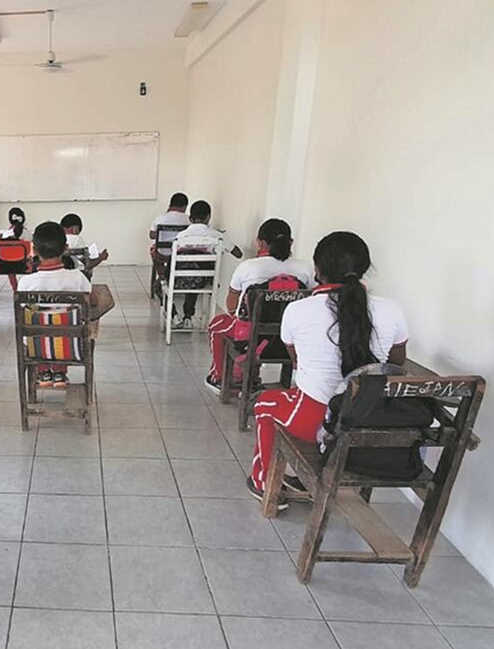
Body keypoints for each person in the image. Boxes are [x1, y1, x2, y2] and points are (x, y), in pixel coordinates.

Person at [247, 231, 408, 506]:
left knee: (265, 403)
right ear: (364, 269)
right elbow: (397, 362)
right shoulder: (391, 310)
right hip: (368, 420)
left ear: (316, 269)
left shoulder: (299, 310)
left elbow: (295, 359)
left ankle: (263, 481)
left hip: (314, 420)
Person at [205, 218, 315, 391]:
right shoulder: (305, 269)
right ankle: (253, 374)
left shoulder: (248, 267)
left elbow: (232, 302)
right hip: (291, 340)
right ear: (290, 242)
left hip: (252, 337)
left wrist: (237, 316)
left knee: (217, 325)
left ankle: (219, 377)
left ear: (260, 242)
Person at [18, 221, 92, 389]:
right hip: (70, 347)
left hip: (35, 348)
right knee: (64, 326)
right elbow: (92, 301)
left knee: (39, 324)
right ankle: (59, 373)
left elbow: (24, 312)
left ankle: (43, 371)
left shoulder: (26, 283)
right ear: (66, 248)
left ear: (34, 250)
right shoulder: (77, 278)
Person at [169, 200, 244, 329]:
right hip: (203, 280)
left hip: (179, 280)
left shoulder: (180, 236)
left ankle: (175, 317)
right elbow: (238, 254)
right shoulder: (217, 236)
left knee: (160, 286)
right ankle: (188, 317)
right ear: (208, 217)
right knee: (195, 278)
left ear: (190, 218)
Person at [149, 192, 191, 297]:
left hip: (163, 254)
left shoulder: (160, 218)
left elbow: (152, 235)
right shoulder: (189, 219)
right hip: (181, 255)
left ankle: (163, 277)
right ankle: (172, 278)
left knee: (154, 250)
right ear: (185, 206)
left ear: (170, 204)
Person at [0, 207, 33, 291]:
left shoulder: (5, 234)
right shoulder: (28, 234)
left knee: (9, 263)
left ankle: (15, 288)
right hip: (24, 265)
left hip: (5, 267)